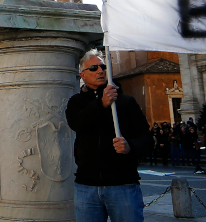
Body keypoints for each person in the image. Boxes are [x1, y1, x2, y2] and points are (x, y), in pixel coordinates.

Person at [65, 49, 152, 222]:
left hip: (123, 184)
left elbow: (147, 139)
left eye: (103, 67)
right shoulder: (76, 102)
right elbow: (77, 124)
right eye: (94, 68)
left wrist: (130, 147)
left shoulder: (126, 102)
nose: (100, 71)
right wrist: (101, 104)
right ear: (82, 74)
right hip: (86, 185)